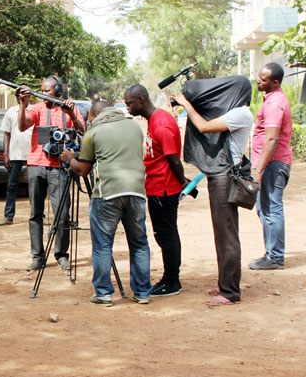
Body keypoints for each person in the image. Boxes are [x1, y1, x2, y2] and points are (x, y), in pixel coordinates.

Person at [61, 101, 152, 307]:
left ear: (94, 116)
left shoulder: (94, 132)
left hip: (107, 194)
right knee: (139, 243)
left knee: (103, 246)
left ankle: (103, 293)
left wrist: (68, 158)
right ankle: (143, 292)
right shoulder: (134, 127)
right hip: (136, 192)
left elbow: (82, 169)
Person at [172, 76, 253, 306]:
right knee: (223, 233)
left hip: (225, 177)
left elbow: (205, 127)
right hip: (221, 177)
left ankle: (230, 292)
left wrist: (187, 104)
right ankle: (225, 283)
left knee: (227, 234)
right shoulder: (235, 111)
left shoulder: (240, 113)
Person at [124, 85, 188, 297]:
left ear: (141, 99)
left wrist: (182, 182)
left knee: (167, 235)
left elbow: (174, 160)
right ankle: (170, 278)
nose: (128, 108)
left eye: (130, 103)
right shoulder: (154, 120)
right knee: (163, 234)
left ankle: (172, 281)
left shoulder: (161, 123)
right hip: (156, 186)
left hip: (164, 189)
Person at [17, 76, 86, 273]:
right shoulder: (37, 108)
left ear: (57, 91)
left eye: (47, 91)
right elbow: (22, 126)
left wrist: (71, 114)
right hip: (36, 165)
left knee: (63, 214)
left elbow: (83, 131)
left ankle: (61, 255)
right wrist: (23, 104)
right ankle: (38, 256)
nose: (44, 93)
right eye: (42, 90)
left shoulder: (70, 108)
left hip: (60, 167)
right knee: (35, 213)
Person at [249, 63, 293, 270]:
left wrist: (259, 170)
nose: (259, 81)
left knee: (272, 208)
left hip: (273, 164)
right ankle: (271, 254)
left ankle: (275, 257)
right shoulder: (272, 99)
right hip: (269, 163)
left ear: (275, 82)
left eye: (263, 79)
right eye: (259, 77)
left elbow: (272, 139)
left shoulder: (275, 103)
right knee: (264, 208)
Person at [0, 93, 33, 226]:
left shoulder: (35, 111)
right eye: (18, 95)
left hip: (32, 153)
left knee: (35, 185)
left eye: (23, 95)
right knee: (12, 186)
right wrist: (6, 154)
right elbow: (6, 134)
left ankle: (38, 215)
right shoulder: (11, 112)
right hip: (15, 153)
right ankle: (8, 216)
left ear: (28, 96)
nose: (21, 98)